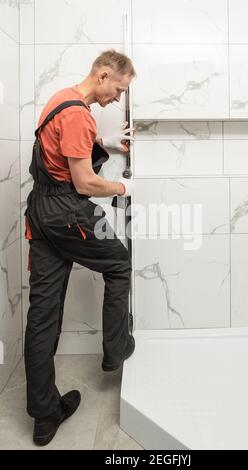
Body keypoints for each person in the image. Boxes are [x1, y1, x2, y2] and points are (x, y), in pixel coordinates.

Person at [24, 49, 136, 446]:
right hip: (66, 212)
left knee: (43, 313)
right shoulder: (77, 115)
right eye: (118, 90)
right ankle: (116, 348)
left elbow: (59, 155)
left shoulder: (60, 100)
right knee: (119, 265)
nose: (117, 100)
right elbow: (85, 183)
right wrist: (123, 187)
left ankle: (44, 415)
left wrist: (102, 140)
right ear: (103, 75)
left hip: (40, 214)